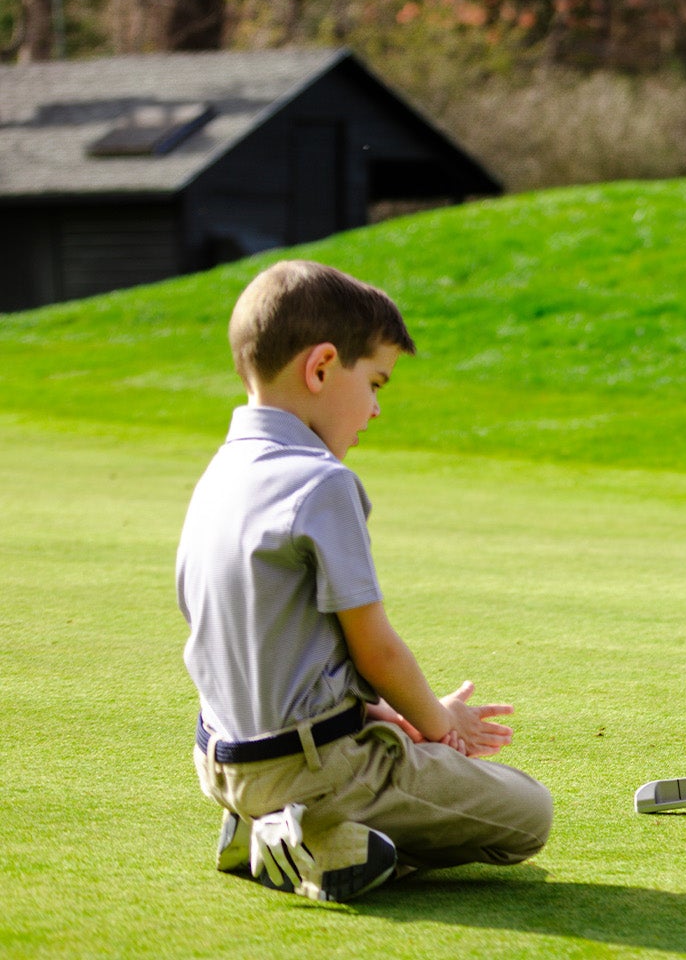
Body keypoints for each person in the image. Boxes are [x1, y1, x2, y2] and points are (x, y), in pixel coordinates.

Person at [180, 260, 552, 901]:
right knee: (527, 816)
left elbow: (269, 646)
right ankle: (312, 842)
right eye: (376, 382)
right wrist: (439, 725)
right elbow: (373, 648)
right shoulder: (321, 482)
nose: (377, 409)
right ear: (322, 367)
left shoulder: (218, 476)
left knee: (393, 765)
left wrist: (389, 715)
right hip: (316, 770)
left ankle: (264, 822)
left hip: (220, 760)